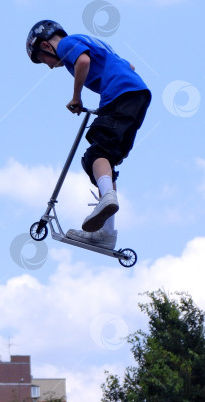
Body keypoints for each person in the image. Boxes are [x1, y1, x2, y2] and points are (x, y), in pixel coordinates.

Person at [26, 20, 151, 250]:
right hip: (137, 96)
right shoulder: (94, 43)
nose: (49, 66)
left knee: (96, 154)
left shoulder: (67, 43)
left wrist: (76, 97)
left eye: (43, 60)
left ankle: (107, 199)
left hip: (120, 96)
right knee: (107, 161)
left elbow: (83, 61)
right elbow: (130, 66)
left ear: (46, 45)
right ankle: (107, 234)